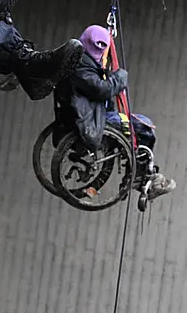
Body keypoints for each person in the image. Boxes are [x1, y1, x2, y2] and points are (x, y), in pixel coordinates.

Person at [52, 25, 176, 199]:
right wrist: (120, 77)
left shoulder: (79, 60)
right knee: (144, 127)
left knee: (137, 125)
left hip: (90, 115)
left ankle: (135, 174)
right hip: (91, 120)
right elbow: (102, 89)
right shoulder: (80, 65)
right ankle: (140, 175)